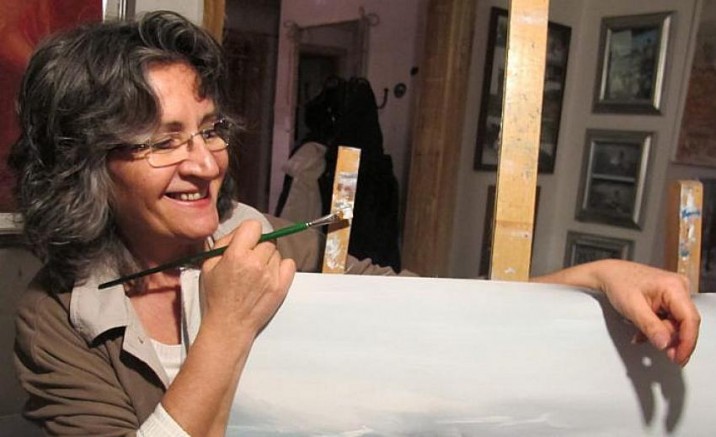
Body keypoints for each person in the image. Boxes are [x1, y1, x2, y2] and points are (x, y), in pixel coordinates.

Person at [8, 11, 699, 436]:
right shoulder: (57, 316)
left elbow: (432, 318)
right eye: (163, 141)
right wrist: (228, 325)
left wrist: (595, 278)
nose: (204, 163)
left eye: (210, 130)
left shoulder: (270, 240)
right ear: (88, 163)